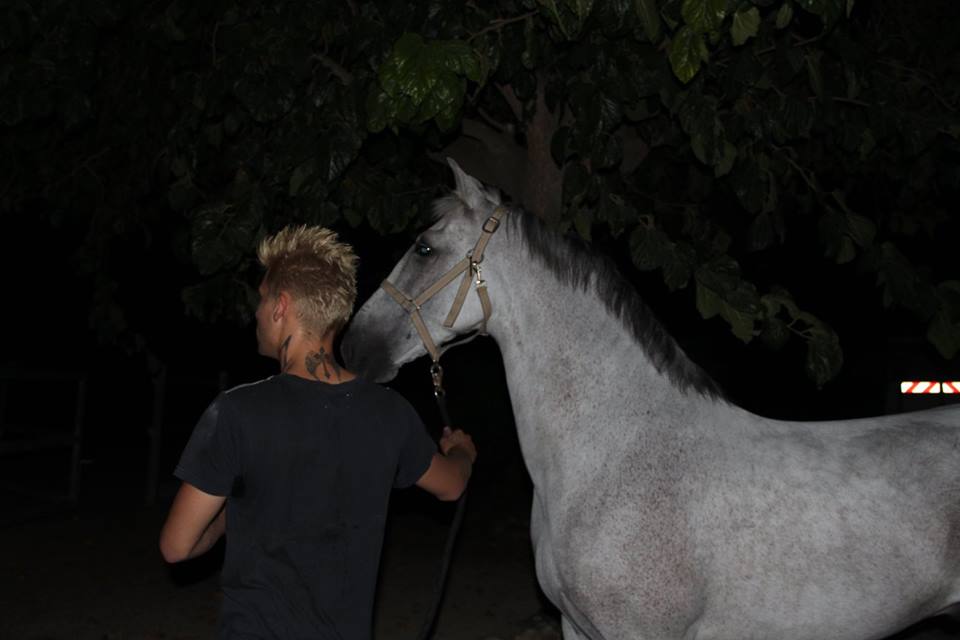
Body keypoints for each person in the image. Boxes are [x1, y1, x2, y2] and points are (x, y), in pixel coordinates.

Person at [159, 225, 476, 639]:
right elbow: (452, 486)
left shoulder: (236, 412)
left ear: (281, 306)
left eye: (262, 299)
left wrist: (230, 511)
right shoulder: (389, 412)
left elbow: (176, 546)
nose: (257, 314)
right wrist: (463, 452)